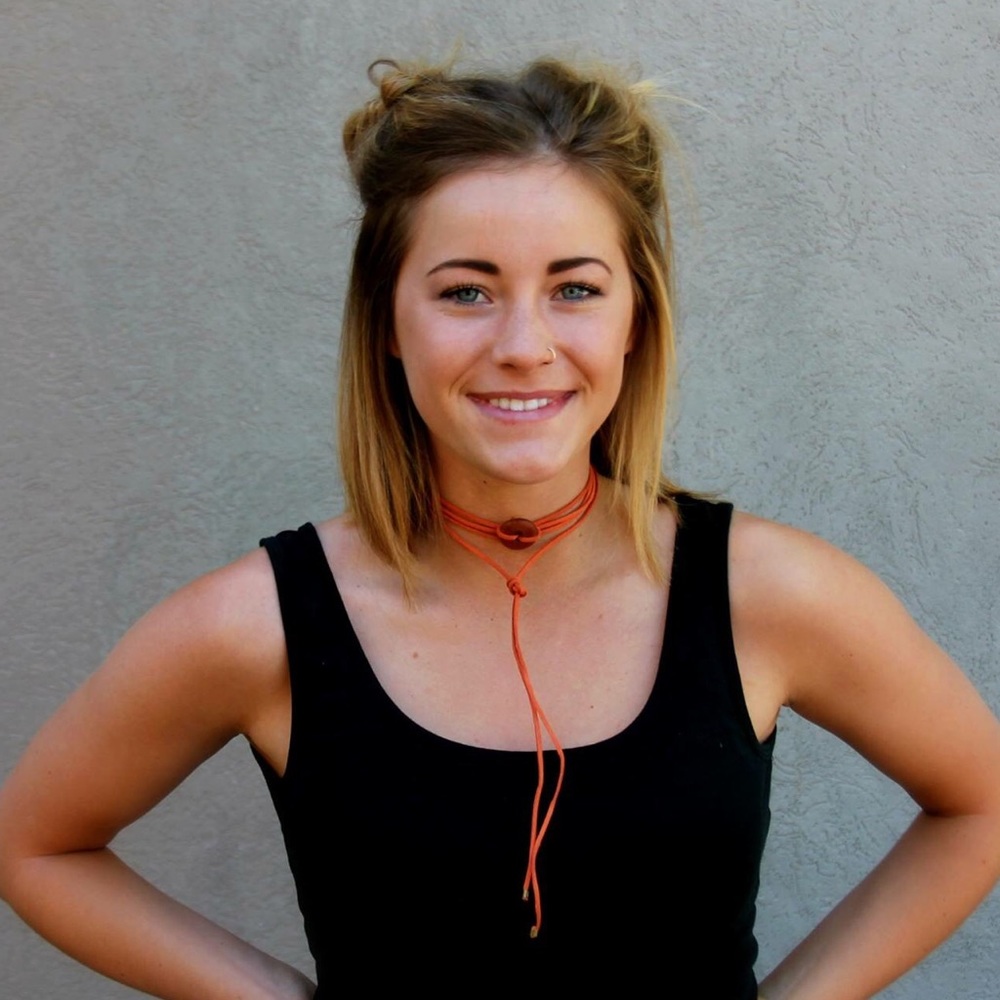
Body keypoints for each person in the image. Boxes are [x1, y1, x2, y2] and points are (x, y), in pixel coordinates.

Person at [1, 54, 999, 1000]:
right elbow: (33, 843)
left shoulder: (766, 595)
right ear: (387, 322)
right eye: (466, 291)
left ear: (634, 319)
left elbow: (979, 802)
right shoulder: (258, 626)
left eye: (574, 288)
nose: (524, 345)